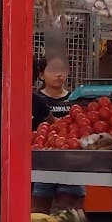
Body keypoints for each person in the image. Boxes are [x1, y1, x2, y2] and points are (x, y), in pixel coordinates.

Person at [31, 55, 85, 212]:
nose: (59, 74)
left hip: (71, 167)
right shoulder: (36, 99)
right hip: (42, 167)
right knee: (37, 213)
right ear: (41, 74)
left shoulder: (76, 99)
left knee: (68, 213)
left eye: (62, 70)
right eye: (53, 70)